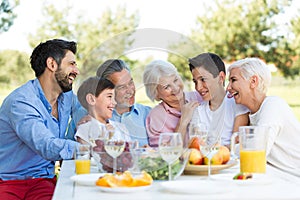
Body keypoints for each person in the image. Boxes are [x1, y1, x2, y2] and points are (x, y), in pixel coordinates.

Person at [0, 39, 82, 199]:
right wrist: (92, 150)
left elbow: (90, 110)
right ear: (52, 64)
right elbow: (46, 145)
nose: (76, 71)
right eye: (71, 64)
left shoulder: (67, 98)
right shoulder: (21, 102)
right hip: (8, 182)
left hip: (43, 180)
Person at [227, 57, 300, 177]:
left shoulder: (273, 105)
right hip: (280, 178)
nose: (228, 87)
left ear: (253, 81)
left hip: (295, 181)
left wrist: (222, 151)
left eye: (233, 80)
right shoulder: (252, 114)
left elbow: (257, 151)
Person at [67, 59, 151, 147]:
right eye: (121, 87)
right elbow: (66, 156)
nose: (130, 91)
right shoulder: (82, 114)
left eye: (130, 82)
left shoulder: (148, 114)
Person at [188, 53, 249, 148]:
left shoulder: (238, 103)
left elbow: (237, 143)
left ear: (221, 77)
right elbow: (196, 145)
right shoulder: (199, 111)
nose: (198, 87)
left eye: (203, 79)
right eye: (195, 82)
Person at [143, 60, 202, 147]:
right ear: (156, 93)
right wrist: (183, 121)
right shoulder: (156, 117)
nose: (175, 88)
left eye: (175, 80)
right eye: (167, 87)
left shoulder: (200, 97)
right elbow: (166, 156)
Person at [75, 76, 131, 145]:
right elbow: (88, 153)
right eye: (109, 96)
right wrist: (107, 137)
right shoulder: (84, 130)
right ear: (91, 99)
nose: (114, 102)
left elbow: (130, 152)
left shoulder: (120, 127)